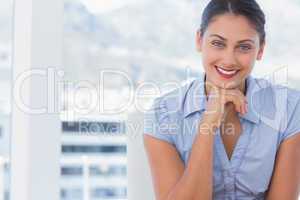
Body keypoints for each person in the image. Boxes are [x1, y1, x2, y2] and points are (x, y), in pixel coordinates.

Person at [143, 0, 300, 199]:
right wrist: (207, 124)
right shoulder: (163, 115)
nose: (228, 60)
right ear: (199, 40)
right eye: (218, 43)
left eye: (244, 47)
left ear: (260, 50)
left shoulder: (289, 108)